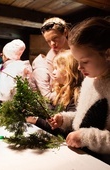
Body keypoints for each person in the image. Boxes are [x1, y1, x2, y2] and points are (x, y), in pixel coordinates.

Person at [48, 17, 110, 157]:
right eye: (77, 61)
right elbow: (83, 117)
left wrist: (86, 138)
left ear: (107, 54)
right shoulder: (89, 80)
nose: (80, 67)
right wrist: (64, 120)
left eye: (85, 61)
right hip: (83, 156)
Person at [26, 49, 83, 137]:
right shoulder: (60, 92)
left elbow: (66, 132)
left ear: (68, 71)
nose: (53, 72)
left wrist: (36, 120)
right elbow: (51, 114)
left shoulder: (76, 96)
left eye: (57, 68)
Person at [32, 17, 70, 101]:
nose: (52, 44)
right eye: (48, 41)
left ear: (65, 32)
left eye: (55, 38)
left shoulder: (77, 50)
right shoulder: (51, 58)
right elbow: (56, 84)